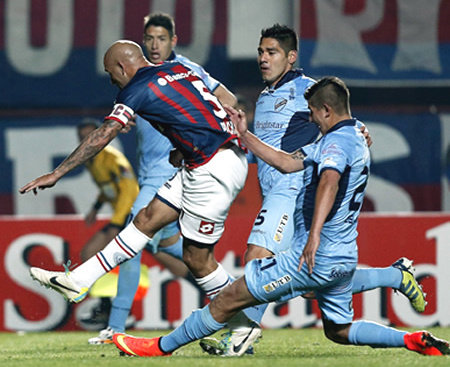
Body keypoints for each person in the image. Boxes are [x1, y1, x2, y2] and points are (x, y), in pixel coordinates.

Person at [112, 76, 450, 357]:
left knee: (230, 298)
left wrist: (313, 235)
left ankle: (158, 347)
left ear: (327, 110)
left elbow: (329, 181)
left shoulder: (335, 145)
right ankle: (411, 338)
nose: (312, 119)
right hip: (344, 256)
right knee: (339, 330)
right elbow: (286, 162)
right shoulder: (347, 138)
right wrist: (244, 134)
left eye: (314, 113)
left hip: (316, 256)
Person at [199, 24, 427, 357]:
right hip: (273, 188)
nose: (264, 58)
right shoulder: (265, 95)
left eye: (272, 52)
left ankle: (240, 337)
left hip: (291, 188)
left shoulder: (305, 88)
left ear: (291, 57)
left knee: (256, 256)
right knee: (310, 286)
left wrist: (360, 129)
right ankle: (395, 276)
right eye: (261, 51)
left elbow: (341, 117)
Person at [20, 40, 249, 340]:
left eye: (110, 73)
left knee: (197, 260)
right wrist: (185, 148)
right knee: (145, 220)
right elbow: (211, 106)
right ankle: (77, 279)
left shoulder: (136, 88)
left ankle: (244, 324)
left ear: (122, 67)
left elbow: (104, 134)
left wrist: (58, 172)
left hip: (213, 168)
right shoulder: (179, 69)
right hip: (207, 159)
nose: (111, 80)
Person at [87, 12, 240, 346]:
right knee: (182, 253)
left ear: (173, 41)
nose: (155, 45)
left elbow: (227, 99)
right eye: (149, 39)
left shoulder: (185, 69)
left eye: (161, 39)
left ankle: (115, 325)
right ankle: (237, 308)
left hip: (175, 171)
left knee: (133, 235)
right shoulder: (139, 77)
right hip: (151, 174)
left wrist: (203, 130)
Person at [74, 118, 139, 328]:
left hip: (132, 216)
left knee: (173, 259)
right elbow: (108, 188)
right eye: (83, 137)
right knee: (89, 253)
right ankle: (106, 307)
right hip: (120, 217)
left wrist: (117, 223)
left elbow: (129, 189)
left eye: (91, 135)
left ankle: (213, 294)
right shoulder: (92, 160)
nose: (87, 140)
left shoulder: (112, 157)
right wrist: (96, 206)